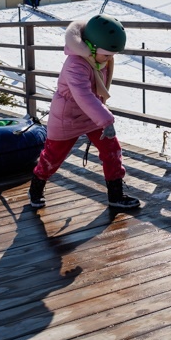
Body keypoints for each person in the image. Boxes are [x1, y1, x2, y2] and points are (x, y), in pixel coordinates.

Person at [28, 13, 140, 209]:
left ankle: (116, 194)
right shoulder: (75, 65)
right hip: (67, 117)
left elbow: (95, 93)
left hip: (91, 114)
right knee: (53, 157)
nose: (110, 59)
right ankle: (36, 187)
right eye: (107, 54)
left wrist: (102, 116)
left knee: (111, 150)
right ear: (91, 47)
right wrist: (106, 119)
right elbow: (84, 96)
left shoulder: (99, 59)